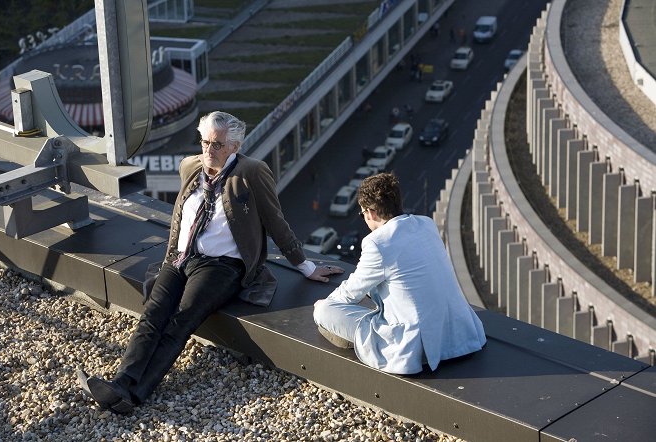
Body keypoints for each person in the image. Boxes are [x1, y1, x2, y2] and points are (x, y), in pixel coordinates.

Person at [77, 111, 344, 413]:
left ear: (234, 146)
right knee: (153, 313)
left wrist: (306, 266)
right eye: (204, 142)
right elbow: (181, 218)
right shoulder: (191, 166)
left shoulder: (252, 173)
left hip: (223, 266)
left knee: (181, 319)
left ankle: (136, 395)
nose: (208, 150)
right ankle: (121, 383)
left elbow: (275, 222)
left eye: (217, 145)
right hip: (182, 258)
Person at [313, 173, 486, 375]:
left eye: (362, 214)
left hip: (418, 349)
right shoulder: (426, 224)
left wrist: (325, 304)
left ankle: (357, 340)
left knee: (325, 311)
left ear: (371, 212)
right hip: (461, 335)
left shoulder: (377, 243)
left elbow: (351, 294)